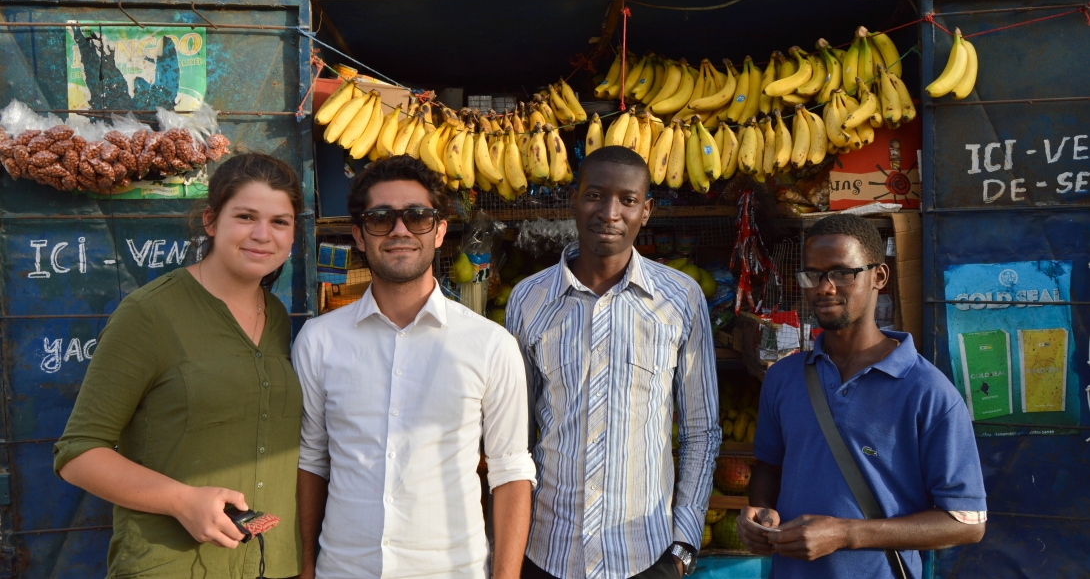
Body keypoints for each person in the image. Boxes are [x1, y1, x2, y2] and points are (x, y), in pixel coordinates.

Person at [53, 153, 306, 578]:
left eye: (280, 221)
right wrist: (181, 500)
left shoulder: (279, 318)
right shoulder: (149, 314)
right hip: (171, 565)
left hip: (269, 563)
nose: (263, 235)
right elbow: (78, 452)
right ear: (211, 221)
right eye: (245, 216)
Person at [293, 155, 536, 579]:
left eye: (418, 216)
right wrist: (306, 566)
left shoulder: (491, 345)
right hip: (345, 569)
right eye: (381, 217)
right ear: (359, 235)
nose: (400, 230)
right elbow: (312, 460)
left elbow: (511, 469)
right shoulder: (319, 340)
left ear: (440, 231)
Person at [506, 146, 721, 579]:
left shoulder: (681, 299)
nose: (610, 212)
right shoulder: (527, 299)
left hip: (644, 554)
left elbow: (701, 431)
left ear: (647, 210)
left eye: (627, 200)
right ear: (574, 198)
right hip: (546, 550)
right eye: (595, 195)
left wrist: (682, 545)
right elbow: (516, 434)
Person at [738, 214, 987, 578]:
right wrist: (759, 512)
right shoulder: (783, 378)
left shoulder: (928, 392)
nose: (824, 288)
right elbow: (769, 469)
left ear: (879, 277)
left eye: (841, 273)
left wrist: (846, 534)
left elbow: (966, 523)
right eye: (813, 275)